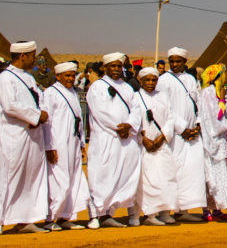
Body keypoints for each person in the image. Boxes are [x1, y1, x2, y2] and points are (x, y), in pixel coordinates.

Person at [86, 52, 143, 229]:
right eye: (113, 66)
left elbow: (136, 109)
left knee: (123, 176)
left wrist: (130, 125)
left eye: (119, 66)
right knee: (101, 175)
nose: (117, 69)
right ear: (105, 67)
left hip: (126, 141)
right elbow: (100, 112)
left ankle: (109, 213)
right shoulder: (97, 87)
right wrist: (120, 127)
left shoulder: (127, 88)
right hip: (106, 139)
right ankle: (96, 215)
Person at [0, 41, 50, 233]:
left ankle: (25, 219)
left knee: (31, 176)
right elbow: (10, 105)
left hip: (33, 135)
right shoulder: (6, 78)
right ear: (23, 56)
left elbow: (40, 98)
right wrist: (35, 116)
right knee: (9, 176)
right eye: (33, 56)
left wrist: (42, 113)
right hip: (15, 135)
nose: (35, 59)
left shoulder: (28, 78)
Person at [157, 47, 205, 222]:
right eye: (172, 61)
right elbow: (165, 108)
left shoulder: (191, 79)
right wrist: (182, 128)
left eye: (178, 61)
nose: (175, 64)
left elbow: (197, 103)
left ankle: (184, 209)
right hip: (176, 135)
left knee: (191, 172)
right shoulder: (164, 80)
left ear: (185, 62)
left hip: (192, 135)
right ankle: (166, 211)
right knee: (172, 171)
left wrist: (198, 124)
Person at [41, 62, 91, 231]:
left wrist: (82, 143)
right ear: (58, 76)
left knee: (73, 179)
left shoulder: (73, 93)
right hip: (58, 143)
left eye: (72, 75)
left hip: (74, 143)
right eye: (67, 76)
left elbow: (79, 119)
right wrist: (49, 146)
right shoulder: (50, 93)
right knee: (58, 180)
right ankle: (51, 217)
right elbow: (47, 122)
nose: (70, 79)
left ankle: (65, 216)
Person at [130, 67, 179, 227]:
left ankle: (164, 212)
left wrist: (161, 138)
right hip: (143, 146)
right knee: (145, 180)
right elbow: (133, 121)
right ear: (141, 81)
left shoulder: (163, 96)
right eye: (147, 80)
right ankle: (146, 214)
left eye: (154, 80)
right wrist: (143, 139)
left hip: (161, 144)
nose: (151, 83)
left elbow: (170, 119)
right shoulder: (135, 97)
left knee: (165, 177)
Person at [197, 64, 227, 222]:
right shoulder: (208, 93)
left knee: (224, 173)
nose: (226, 77)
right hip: (212, 138)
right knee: (210, 175)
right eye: (223, 74)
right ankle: (206, 209)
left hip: (223, 140)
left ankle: (217, 207)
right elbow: (211, 116)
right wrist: (221, 101)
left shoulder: (224, 93)